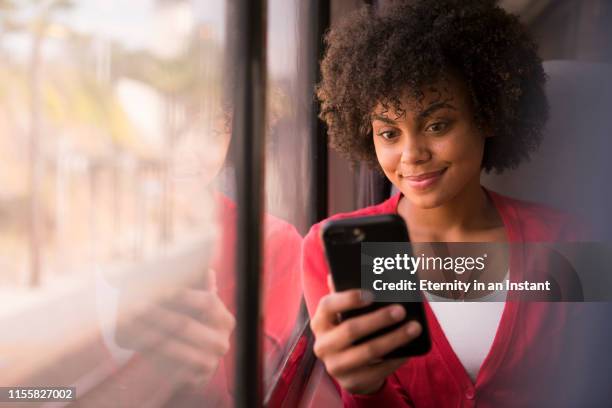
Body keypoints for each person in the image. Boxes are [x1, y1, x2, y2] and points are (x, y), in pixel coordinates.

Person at [302, 1, 587, 407]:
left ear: (487, 116)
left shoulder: (569, 239)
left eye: (437, 125)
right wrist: (364, 390)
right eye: (388, 133)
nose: (411, 154)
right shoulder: (329, 250)